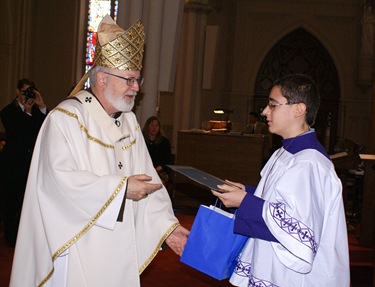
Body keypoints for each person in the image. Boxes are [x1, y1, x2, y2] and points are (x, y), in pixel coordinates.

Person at [10, 15, 189, 287]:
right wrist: (119, 190)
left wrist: (168, 227)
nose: (136, 88)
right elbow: (57, 182)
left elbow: (147, 180)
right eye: (129, 80)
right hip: (80, 243)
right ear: (102, 78)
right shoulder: (66, 119)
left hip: (119, 245)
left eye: (138, 80)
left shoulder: (128, 122)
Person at [212, 74, 350, 286]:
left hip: (293, 277)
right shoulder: (284, 152)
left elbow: (300, 228)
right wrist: (248, 192)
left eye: (272, 105)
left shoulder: (309, 163)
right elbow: (281, 200)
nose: (265, 111)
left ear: (299, 109)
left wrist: (245, 202)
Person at [0, 78, 48, 247]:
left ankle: (25, 238)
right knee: (11, 204)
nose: (26, 95)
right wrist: (27, 112)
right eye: (24, 91)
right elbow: (19, 133)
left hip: (29, 166)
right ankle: (11, 239)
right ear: (17, 92)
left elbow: (45, 129)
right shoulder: (7, 112)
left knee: (25, 204)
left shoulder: (36, 112)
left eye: (30, 92)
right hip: (12, 166)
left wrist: (41, 107)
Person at [142, 116, 172, 189]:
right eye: (152, 125)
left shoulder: (164, 142)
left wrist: (156, 170)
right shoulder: (142, 140)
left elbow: (167, 160)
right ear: (147, 126)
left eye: (156, 125)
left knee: (159, 183)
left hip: (160, 171)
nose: (154, 128)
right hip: (145, 170)